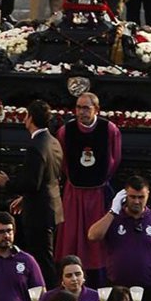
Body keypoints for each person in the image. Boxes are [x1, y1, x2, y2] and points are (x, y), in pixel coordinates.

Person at [0, 100, 63, 286]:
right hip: (51, 208)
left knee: (41, 260)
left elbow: (32, 183)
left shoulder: (35, 146)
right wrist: (25, 198)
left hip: (39, 212)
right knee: (45, 255)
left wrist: (7, 183)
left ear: (30, 118)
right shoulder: (53, 141)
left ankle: (47, 295)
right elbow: (49, 177)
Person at [87, 175, 151, 301]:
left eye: (141, 197)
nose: (136, 201)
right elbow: (92, 235)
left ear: (148, 195)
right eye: (132, 197)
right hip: (117, 290)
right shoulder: (114, 219)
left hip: (147, 290)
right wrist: (113, 211)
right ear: (124, 196)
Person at [56, 92, 121, 283]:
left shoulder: (109, 129)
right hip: (74, 193)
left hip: (97, 193)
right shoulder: (65, 131)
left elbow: (115, 159)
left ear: (96, 110)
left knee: (96, 240)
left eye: (86, 108)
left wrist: (101, 178)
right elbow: (62, 162)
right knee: (72, 237)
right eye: (78, 107)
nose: (81, 112)